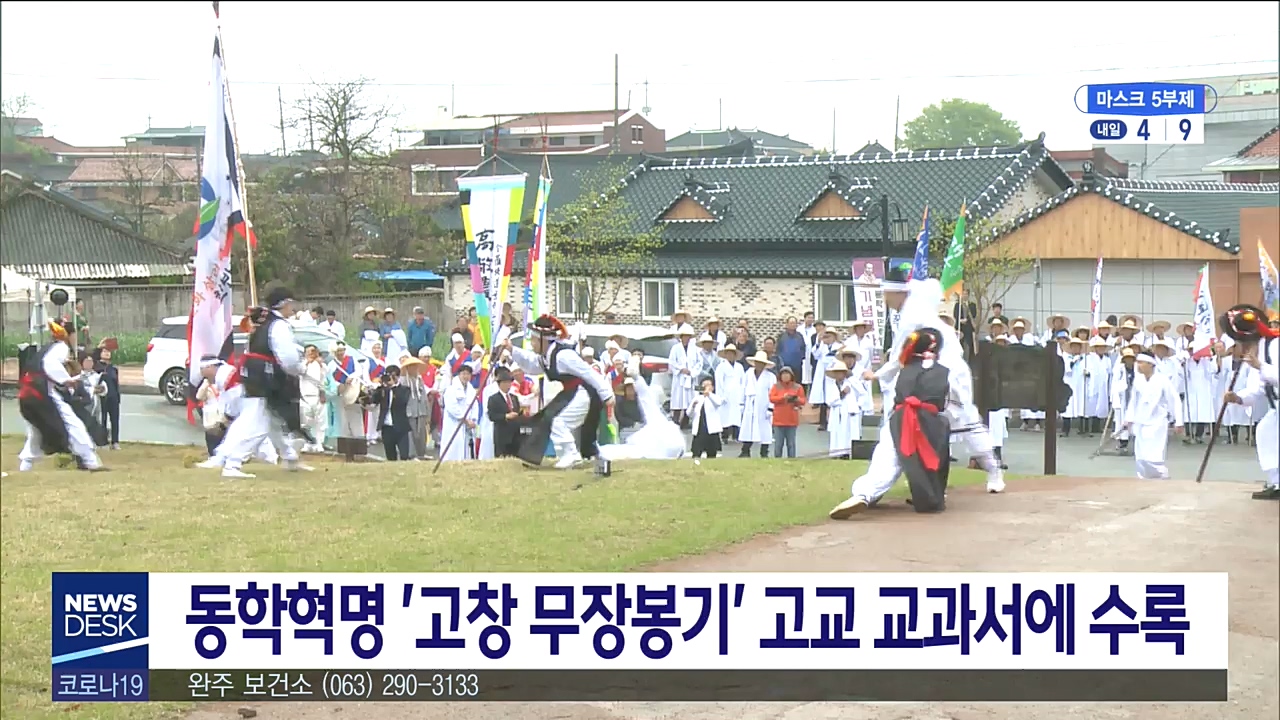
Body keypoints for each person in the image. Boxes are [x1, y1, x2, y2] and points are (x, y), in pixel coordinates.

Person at [854, 278, 1004, 499]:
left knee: (962, 424)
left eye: (887, 294)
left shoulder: (912, 317)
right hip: (924, 377)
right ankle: (922, 488)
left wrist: (876, 374)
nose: (885, 300)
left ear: (898, 294)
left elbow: (898, 357)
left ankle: (992, 470)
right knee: (917, 429)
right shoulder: (916, 312)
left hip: (946, 378)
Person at [830, 327, 953, 518]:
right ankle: (929, 495)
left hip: (899, 419)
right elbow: (947, 402)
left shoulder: (904, 369)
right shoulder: (945, 372)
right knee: (930, 463)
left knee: (886, 460)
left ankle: (864, 494)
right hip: (930, 424)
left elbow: (893, 371)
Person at [200, 287, 310, 479]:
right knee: (257, 424)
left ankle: (289, 457)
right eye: (291, 303)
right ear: (284, 304)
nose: (293, 307)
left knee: (274, 421)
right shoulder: (278, 326)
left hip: (255, 376)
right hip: (266, 380)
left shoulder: (262, 324)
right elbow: (288, 358)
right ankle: (232, 463)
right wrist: (300, 368)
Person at [503, 314, 616, 469]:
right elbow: (531, 365)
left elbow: (588, 373)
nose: (532, 343)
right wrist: (512, 350)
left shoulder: (564, 355)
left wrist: (607, 394)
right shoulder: (545, 356)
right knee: (548, 418)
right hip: (571, 392)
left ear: (544, 340)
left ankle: (572, 455)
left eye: (534, 340)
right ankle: (569, 455)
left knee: (558, 421)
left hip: (583, 393)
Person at [17, 320, 106, 472]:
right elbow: (50, 364)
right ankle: (91, 461)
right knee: (73, 424)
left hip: (29, 394)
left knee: (36, 430)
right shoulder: (61, 347)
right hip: (43, 394)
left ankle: (25, 465)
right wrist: (67, 380)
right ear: (69, 335)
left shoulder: (46, 348)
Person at [1220, 306, 1279, 500]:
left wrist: (1261, 366)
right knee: (1265, 432)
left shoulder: (1274, 346)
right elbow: (1257, 390)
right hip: (1276, 407)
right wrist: (1237, 398)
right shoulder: (1257, 355)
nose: (1242, 348)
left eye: (1242, 343)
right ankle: (1276, 482)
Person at [1124, 353, 1184, 479]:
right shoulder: (1138, 380)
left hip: (1157, 422)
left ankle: (1161, 476)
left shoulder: (1162, 380)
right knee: (1140, 454)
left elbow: (1174, 400)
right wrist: (1128, 419)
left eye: (1141, 362)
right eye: (1137, 362)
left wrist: (1178, 421)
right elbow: (1133, 401)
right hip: (1140, 421)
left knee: (1154, 453)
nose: (1138, 365)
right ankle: (1143, 478)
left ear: (1150, 364)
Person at [737, 351, 777, 458]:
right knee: (748, 428)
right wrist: (741, 403)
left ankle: (764, 451)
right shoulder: (748, 374)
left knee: (764, 429)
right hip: (750, 404)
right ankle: (745, 450)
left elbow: (773, 393)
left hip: (763, 406)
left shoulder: (770, 377)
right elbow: (743, 388)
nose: (759, 365)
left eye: (761, 363)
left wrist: (770, 408)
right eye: (757, 363)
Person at [439, 364, 479, 462]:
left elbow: (475, 406)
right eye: (463, 374)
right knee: (453, 447)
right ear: (459, 375)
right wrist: (464, 419)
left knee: (467, 448)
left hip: (468, 425)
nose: (466, 376)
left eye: (468, 374)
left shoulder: (471, 390)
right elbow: (452, 407)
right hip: (455, 423)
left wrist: (473, 420)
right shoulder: (451, 389)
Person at [372, 363, 411, 461]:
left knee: (404, 455)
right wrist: (381, 386)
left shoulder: (404, 389)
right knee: (390, 457)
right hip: (387, 427)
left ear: (398, 377)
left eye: (392, 375)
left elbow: (402, 401)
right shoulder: (383, 390)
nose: (389, 378)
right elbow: (374, 400)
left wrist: (393, 386)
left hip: (401, 427)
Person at [299, 344, 332, 454]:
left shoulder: (320, 364)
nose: (311, 353)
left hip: (318, 396)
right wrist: (308, 361)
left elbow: (325, 374)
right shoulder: (302, 364)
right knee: (305, 422)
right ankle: (307, 443)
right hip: (305, 396)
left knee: (320, 422)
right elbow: (300, 371)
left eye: (313, 351)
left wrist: (319, 361)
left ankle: (319, 443)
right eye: (309, 351)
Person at [485, 366, 525, 458]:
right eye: (506, 383)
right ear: (500, 384)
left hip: (514, 433)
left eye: (510, 382)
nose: (508, 385)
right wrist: (505, 416)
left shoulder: (514, 398)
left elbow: (518, 411)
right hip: (502, 434)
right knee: (502, 457)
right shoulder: (494, 398)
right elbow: (492, 416)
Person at [769, 367, 806, 458]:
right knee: (778, 444)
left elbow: (803, 401)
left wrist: (796, 399)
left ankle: (792, 460)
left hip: (792, 420)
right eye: (783, 374)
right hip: (778, 420)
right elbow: (772, 398)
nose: (785, 376)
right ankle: (777, 460)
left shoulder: (798, 387)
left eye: (787, 374)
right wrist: (783, 398)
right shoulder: (776, 386)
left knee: (791, 444)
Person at [402, 355, 433, 460]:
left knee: (422, 433)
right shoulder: (404, 381)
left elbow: (424, 396)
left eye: (415, 367)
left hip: (421, 410)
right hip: (410, 410)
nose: (414, 369)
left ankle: (422, 453)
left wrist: (427, 411)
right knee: (412, 433)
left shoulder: (419, 380)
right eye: (411, 367)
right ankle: (412, 454)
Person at [1110, 347, 1139, 454]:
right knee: (1122, 419)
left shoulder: (1137, 369)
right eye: (1127, 359)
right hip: (1123, 398)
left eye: (1130, 358)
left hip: (1134, 397)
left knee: (1135, 420)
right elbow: (1115, 384)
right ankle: (1123, 442)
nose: (1129, 361)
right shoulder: (1119, 369)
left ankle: (1136, 443)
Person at [667, 325, 697, 426]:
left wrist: (692, 371)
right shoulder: (675, 348)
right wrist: (680, 369)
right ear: (681, 337)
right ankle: (675, 421)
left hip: (690, 378)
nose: (686, 338)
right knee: (678, 400)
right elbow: (671, 362)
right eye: (684, 336)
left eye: (688, 336)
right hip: (679, 378)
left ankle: (685, 422)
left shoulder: (694, 349)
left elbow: (699, 363)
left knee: (689, 401)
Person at [714, 343, 744, 443]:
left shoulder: (739, 367)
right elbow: (719, 382)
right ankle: (724, 436)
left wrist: (742, 395)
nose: (730, 356)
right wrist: (721, 396)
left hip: (737, 394)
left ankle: (736, 435)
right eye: (728, 354)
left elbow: (742, 381)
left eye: (732, 354)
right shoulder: (721, 367)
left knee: (736, 416)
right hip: (725, 394)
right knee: (725, 416)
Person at [688, 377, 724, 459]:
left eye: (708, 385)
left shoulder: (715, 397)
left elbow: (718, 403)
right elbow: (689, 413)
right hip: (699, 430)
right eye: (703, 385)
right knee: (696, 453)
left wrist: (709, 394)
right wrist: (693, 407)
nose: (706, 387)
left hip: (712, 430)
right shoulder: (697, 398)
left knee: (711, 454)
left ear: (712, 387)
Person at [825, 359, 854, 459]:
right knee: (835, 433)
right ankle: (834, 453)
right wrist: (842, 394)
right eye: (837, 373)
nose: (839, 375)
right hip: (836, 411)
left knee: (845, 432)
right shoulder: (831, 385)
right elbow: (829, 400)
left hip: (846, 411)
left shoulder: (850, 384)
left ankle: (845, 453)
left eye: (841, 373)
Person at [95, 347, 121, 450]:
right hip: (102, 397)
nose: (107, 353)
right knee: (103, 420)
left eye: (108, 351)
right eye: (104, 351)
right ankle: (103, 441)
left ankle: (115, 441)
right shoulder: (97, 367)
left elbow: (116, 384)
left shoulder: (113, 369)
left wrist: (118, 397)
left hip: (113, 396)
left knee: (115, 420)